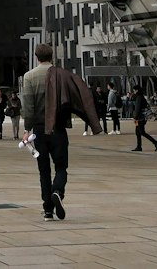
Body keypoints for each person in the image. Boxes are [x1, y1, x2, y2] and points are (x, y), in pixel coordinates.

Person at [21, 41, 100, 222]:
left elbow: (29, 108)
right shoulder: (62, 75)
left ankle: (48, 209)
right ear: (52, 56)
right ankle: (58, 191)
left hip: (39, 131)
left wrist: (27, 130)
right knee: (61, 166)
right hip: (58, 129)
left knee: (44, 170)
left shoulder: (29, 77)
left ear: (36, 57)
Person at [130, 83, 157, 153]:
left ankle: (155, 142)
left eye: (134, 90)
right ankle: (139, 146)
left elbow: (137, 109)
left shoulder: (139, 98)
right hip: (142, 117)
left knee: (142, 132)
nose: (133, 92)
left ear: (137, 90)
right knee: (138, 132)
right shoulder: (141, 97)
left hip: (140, 118)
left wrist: (135, 117)